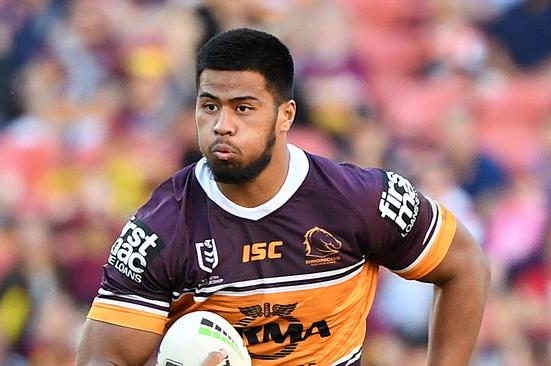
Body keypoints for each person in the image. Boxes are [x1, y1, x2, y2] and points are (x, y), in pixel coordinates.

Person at [75, 28, 490, 366]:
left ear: (285, 115)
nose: (221, 125)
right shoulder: (158, 230)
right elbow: (102, 358)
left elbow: (465, 266)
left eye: (243, 108)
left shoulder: (361, 198)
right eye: (209, 106)